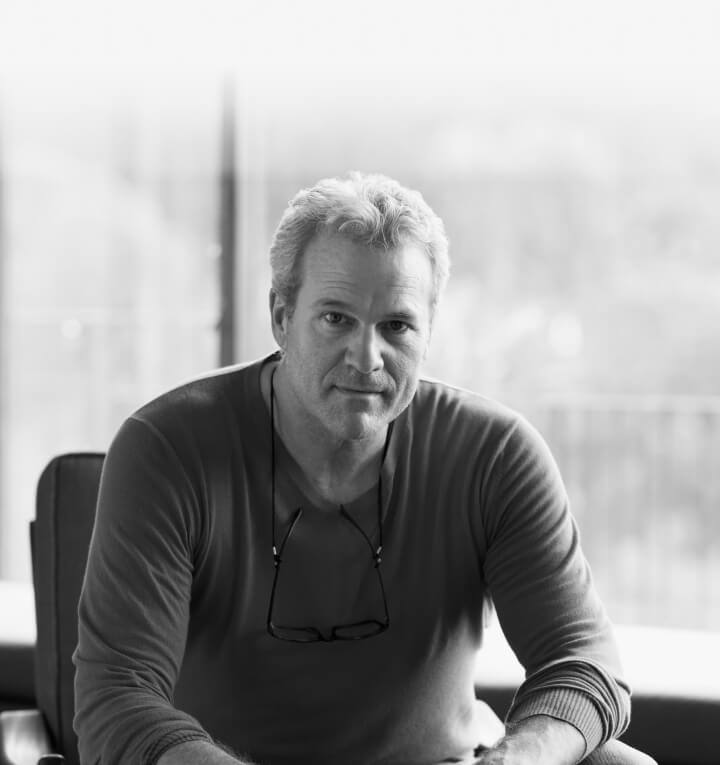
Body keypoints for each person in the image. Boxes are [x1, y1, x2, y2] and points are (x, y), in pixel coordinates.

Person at [74, 172, 655, 765]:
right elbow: (117, 695)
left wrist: (517, 760)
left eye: (396, 326)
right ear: (281, 316)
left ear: (427, 332)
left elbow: (583, 661)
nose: (366, 357)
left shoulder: (496, 453)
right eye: (336, 319)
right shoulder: (168, 448)